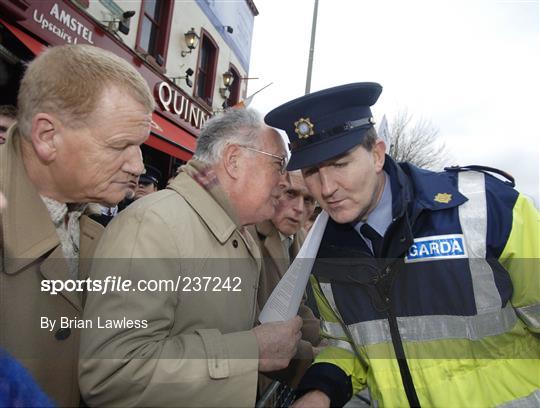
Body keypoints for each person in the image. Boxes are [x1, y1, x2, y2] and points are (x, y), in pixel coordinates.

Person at [264, 82, 540, 408]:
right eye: (312, 171)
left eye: (340, 164)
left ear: (377, 154)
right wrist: (318, 394)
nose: (327, 188)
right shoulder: (322, 253)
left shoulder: (488, 207)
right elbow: (346, 344)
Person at [79, 108, 302, 407]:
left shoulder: (240, 233)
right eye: (279, 164)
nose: (284, 181)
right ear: (234, 160)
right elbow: (113, 374)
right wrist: (251, 350)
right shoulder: (152, 225)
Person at [0, 44, 153, 406]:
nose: (139, 166)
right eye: (121, 145)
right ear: (48, 136)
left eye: (141, 146)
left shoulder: (96, 229)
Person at [253, 171, 320, 399]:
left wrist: (331, 341)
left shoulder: (301, 239)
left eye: (309, 199)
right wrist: (319, 357)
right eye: (291, 194)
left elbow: (296, 305)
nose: (299, 208)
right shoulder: (248, 234)